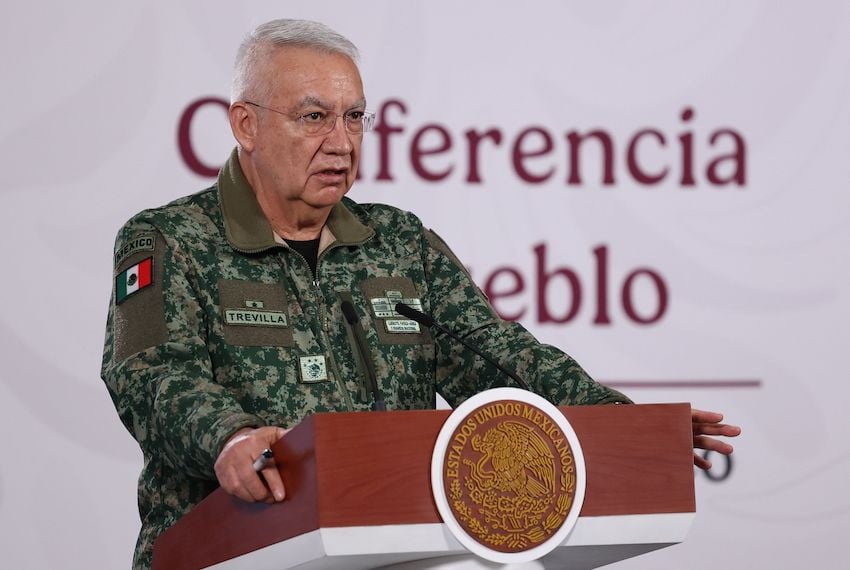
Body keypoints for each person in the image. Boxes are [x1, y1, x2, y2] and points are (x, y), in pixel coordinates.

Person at [101, 18, 740, 569]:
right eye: (314, 116)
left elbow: (497, 356)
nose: (342, 142)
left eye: (355, 117)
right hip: (231, 550)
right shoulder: (170, 239)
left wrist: (622, 424)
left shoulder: (399, 243)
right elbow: (150, 374)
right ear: (246, 123)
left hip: (389, 548)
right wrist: (229, 438)